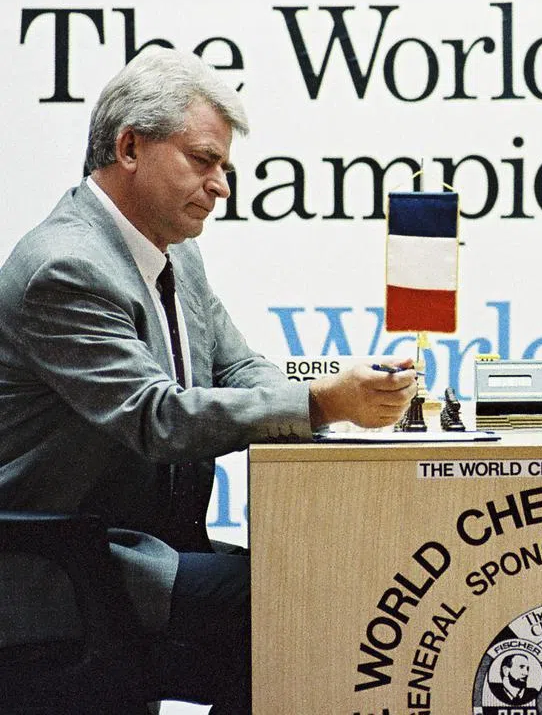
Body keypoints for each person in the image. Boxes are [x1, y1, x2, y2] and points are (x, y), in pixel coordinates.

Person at [0, 48, 417, 713]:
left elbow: (239, 368)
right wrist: (317, 402)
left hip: (148, 550)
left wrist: (334, 404)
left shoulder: (176, 252)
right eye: (203, 160)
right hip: (61, 571)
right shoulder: (65, 268)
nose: (222, 185)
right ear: (129, 146)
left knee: (316, 601)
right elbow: (158, 420)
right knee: (304, 611)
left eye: (224, 166)